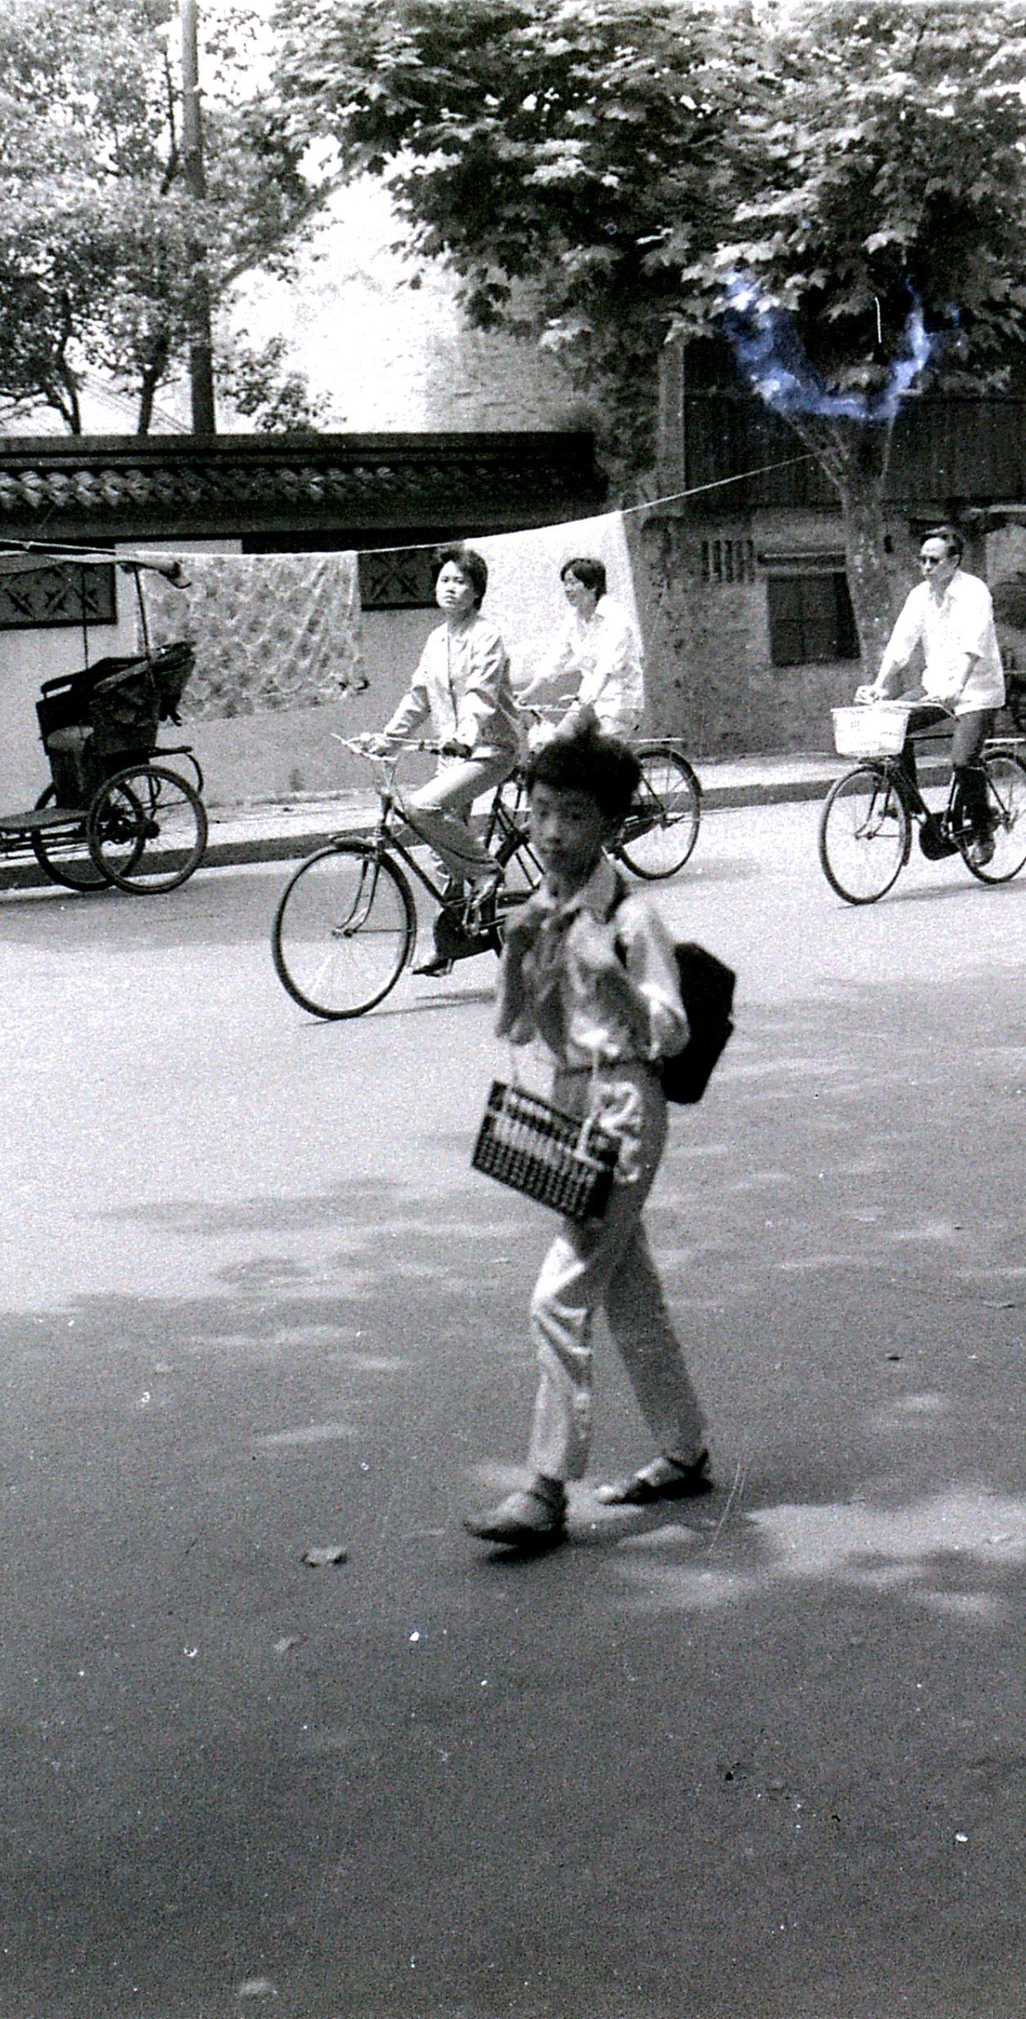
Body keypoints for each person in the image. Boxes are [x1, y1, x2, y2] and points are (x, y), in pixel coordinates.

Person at [464, 728, 711, 1553]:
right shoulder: (542, 910)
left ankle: (544, 1489)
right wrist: (516, 953)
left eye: (572, 816)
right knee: (626, 1293)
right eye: (539, 812)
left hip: (623, 1104)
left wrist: (616, 981)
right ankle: (682, 1449)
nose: (551, 832)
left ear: (608, 824)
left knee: (558, 1296)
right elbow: (514, 1026)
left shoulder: (633, 917)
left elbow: (669, 1033)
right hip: (572, 1101)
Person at [359, 545, 519, 977]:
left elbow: (480, 696)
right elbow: (419, 698)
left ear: (476, 592)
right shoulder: (436, 639)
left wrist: (465, 736)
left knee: (422, 808)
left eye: (461, 582)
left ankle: (487, 873)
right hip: (454, 753)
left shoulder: (487, 636)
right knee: (441, 852)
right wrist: (386, 740)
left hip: (489, 749)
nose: (450, 588)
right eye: (445, 580)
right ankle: (449, 944)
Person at [858, 525, 1006, 858]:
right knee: (891, 727)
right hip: (935, 687)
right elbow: (901, 643)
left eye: (934, 560)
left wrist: (958, 686)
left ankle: (982, 831)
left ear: (954, 561)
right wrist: (880, 684)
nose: (926, 567)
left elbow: (974, 644)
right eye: (922, 560)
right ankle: (914, 811)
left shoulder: (974, 592)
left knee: (963, 760)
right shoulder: (919, 596)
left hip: (976, 691)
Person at [524, 558, 645, 745]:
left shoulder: (616, 617)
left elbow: (609, 663)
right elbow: (556, 657)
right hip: (587, 701)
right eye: (564, 584)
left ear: (593, 586)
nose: (567, 589)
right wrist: (528, 692)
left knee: (599, 758)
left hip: (618, 702)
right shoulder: (573, 619)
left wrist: (593, 694)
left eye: (573, 583)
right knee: (557, 746)